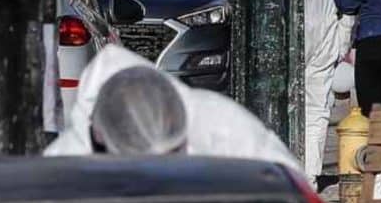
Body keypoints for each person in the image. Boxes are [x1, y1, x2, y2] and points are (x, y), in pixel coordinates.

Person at [45, 45, 298, 170]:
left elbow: (290, 194)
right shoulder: (65, 167)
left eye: (173, 156)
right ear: (99, 139)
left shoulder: (222, 127)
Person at [303, 0, 353, 186]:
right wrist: (342, 42)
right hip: (324, 36)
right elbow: (348, 4)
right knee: (317, 108)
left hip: (293, 33)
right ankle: (310, 174)